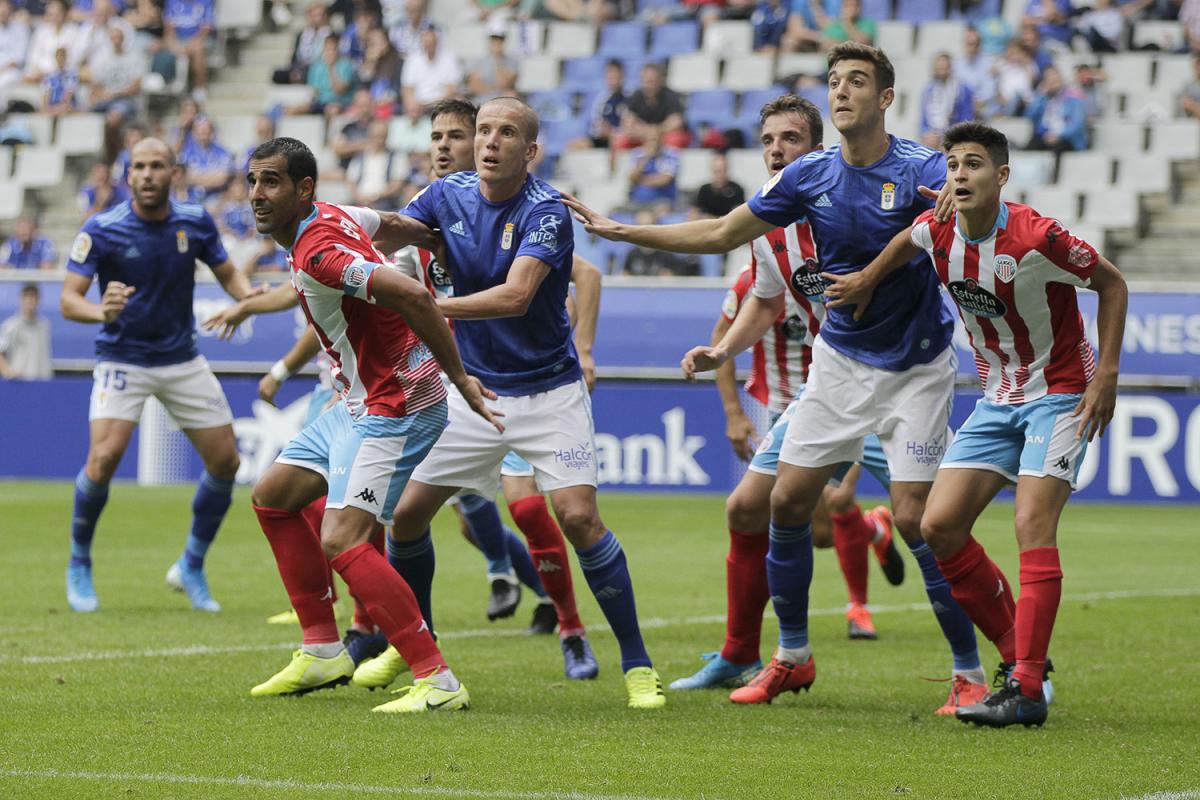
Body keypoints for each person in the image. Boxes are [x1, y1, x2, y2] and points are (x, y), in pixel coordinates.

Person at [565, 43, 991, 712]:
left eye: (856, 82)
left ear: (884, 98)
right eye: (834, 81)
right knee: (782, 504)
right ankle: (790, 656)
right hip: (840, 364)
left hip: (916, 369)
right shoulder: (808, 178)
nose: (842, 91)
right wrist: (624, 232)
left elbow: (972, 212)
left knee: (917, 519)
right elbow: (721, 233)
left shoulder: (921, 168)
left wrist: (960, 209)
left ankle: (969, 672)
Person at [824, 121, 1127, 727]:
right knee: (937, 526)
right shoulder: (937, 227)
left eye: (974, 165)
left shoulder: (1037, 236)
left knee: (1031, 523)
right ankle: (1020, 660)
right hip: (998, 396)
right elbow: (906, 241)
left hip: (1061, 392)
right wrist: (866, 279)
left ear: (1002, 177)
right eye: (954, 165)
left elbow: (1112, 284)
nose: (960, 175)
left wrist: (1107, 375)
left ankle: (1027, 691)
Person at [376, 96, 666, 710]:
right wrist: (334, 221)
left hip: (549, 391)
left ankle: (638, 664)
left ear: (529, 151)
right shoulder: (447, 193)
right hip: (475, 393)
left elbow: (514, 296)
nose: (488, 142)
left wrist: (425, 307)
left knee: (579, 520)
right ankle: (422, 656)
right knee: (404, 517)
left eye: (505, 133)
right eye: (484, 131)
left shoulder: (546, 210)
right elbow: (396, 227)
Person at [243, 135, 499, 712]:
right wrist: (435, 239)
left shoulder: (319, 254)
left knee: (342, 537)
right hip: (358, 403)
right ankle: (322, 650)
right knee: (273, 497)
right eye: (253, 181)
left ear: (303, 189)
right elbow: (388, 222)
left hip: (396, 405)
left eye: (271, 183)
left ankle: (437, 680)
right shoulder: (328, 216)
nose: (257, 195)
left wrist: (460, 379)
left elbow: (410, 293)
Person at [668, 95, 904, 693]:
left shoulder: (848, 212)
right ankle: (741, 652)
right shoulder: (765, 236)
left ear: (817, 148)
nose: (777, 150)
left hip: (885, 388)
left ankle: (1008, 663)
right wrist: (723, 372)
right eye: (769, 140)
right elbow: (757, 303)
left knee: (931, 522)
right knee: (763, 512)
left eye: (791, 139)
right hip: (810, 399)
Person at [59, 138, 254, 614]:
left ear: (174, 173)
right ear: (129, 176)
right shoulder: (101, 229)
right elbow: (69, 300)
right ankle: (79, 560)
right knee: (103, 460)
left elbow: (228, 272)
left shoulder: (194, 221)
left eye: (157, 166)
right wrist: (99, 311)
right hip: (122, 358)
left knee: (226, 463)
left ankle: (191, 563)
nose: (147, 174)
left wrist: (247, 299)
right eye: (139, 167)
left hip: (181, 359)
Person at [918, 53, 974, 149]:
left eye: (945, 67)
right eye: (940, 67)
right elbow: (924, 120)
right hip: (933, 136)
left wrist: (950, 136)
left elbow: (967, 118)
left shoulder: (962, 90)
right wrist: (927, 134)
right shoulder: (928, 90)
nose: (942, 71)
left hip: (954, 135)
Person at [0, 283, 53, 380]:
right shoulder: (10, 326)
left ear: (38, 300)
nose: (30, 301)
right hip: (19, 384)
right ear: (21, 299)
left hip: (41, 383)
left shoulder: (44, 325)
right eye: (28, 297)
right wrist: (9, 372)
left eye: (34, 297)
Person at [692, 152, 746, 219]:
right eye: (716, 171)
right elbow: (693, 214)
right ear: (711, 170)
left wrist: (711, 218)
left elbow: (738, 216)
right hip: (709, 226)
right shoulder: (704, 190)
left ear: (727, 170)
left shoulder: (736, 189)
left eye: (722, 171)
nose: (719, 175)